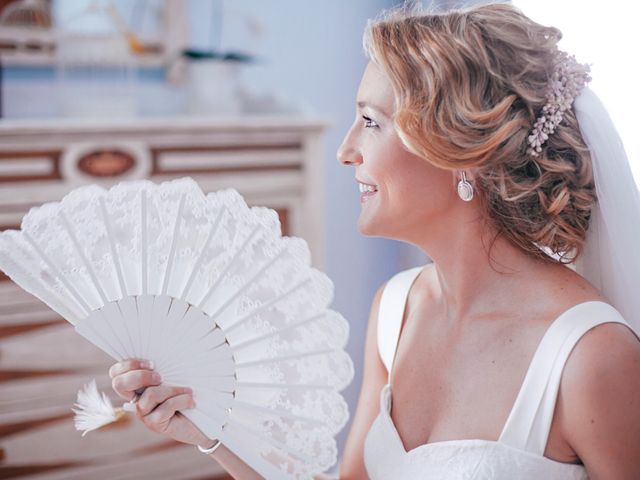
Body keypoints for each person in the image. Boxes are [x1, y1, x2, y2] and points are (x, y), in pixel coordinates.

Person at [110, 2, 640, 478]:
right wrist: (212, 429)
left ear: (462, 150)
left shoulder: (589, 354)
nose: (345, 150)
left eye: (370, 121)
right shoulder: (397, 311)